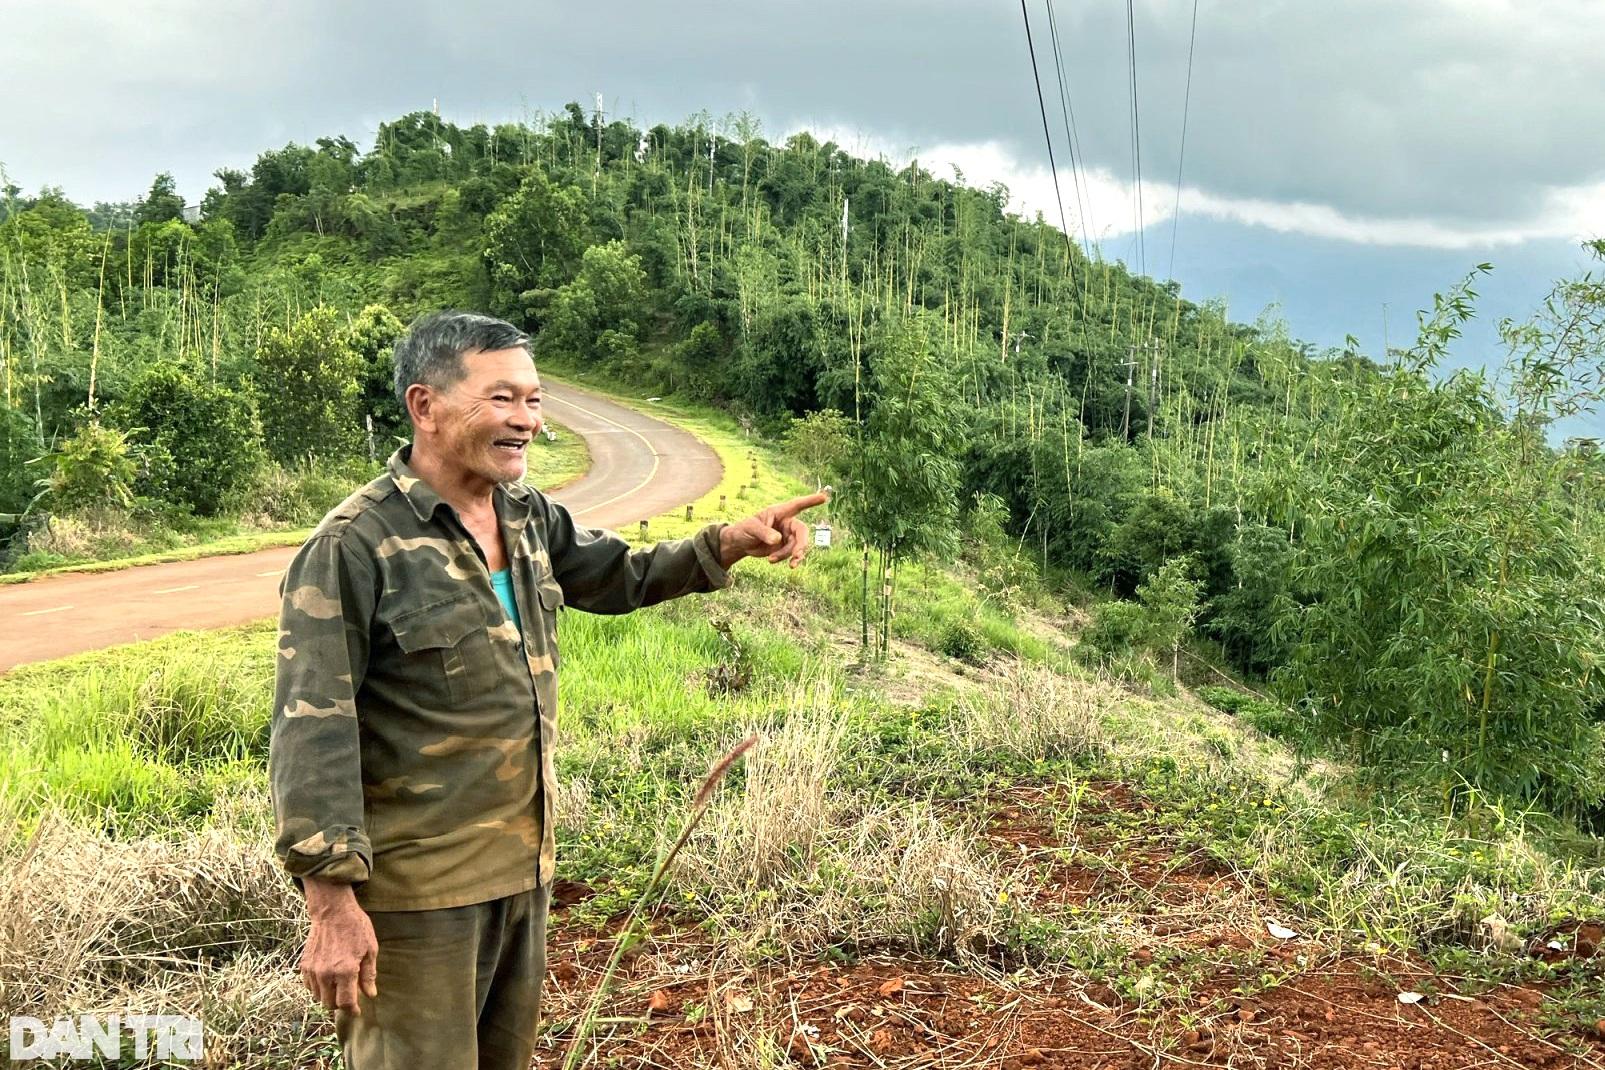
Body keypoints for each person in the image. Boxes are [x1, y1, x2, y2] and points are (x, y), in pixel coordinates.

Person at [268, 310, 828, 1069]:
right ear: (424, 406)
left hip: (523, 876)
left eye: (533, 400)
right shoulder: (353, 546)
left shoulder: (526, 515)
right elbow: (311, 727)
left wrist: (728, 540)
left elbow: (620, 575)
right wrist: (331, 905)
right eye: (501, 398)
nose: (526, 420)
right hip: (417, 901)